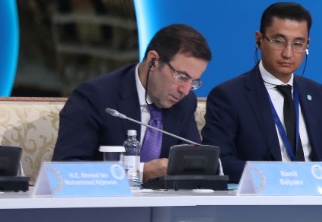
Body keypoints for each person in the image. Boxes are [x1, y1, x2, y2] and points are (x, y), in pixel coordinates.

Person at [201, 2, 322, 183]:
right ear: (259, 39)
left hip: (318, 195)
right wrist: (279, 178)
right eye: (279, 41)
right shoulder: (229, 96)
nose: (288, 53)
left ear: (307, 44)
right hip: (263, 196)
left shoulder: (316, 93)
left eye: (298, 44)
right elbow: (220, 161)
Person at [52, 23, 211, 182]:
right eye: (182, 77)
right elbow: (65, 170)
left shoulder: (185, 103)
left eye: (193, 82)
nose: (185, 90)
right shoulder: (95, 97)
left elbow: (194, 165)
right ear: (153, 61)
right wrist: (140, 172)